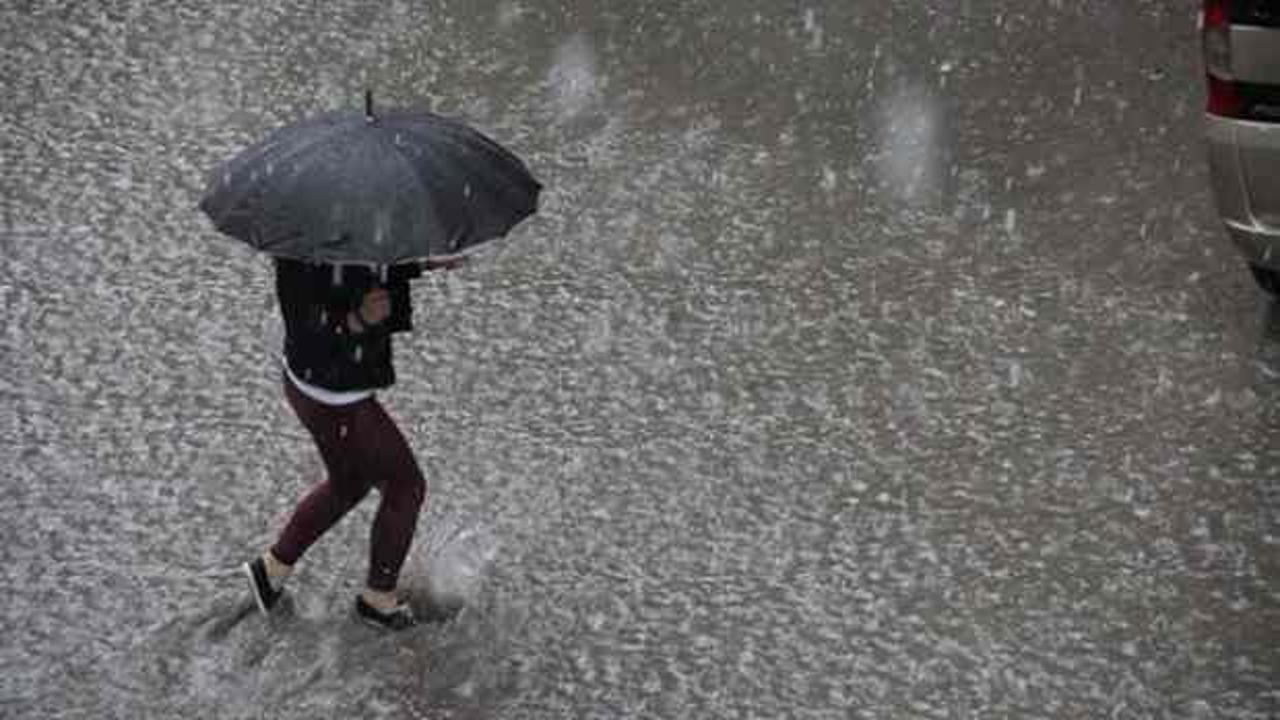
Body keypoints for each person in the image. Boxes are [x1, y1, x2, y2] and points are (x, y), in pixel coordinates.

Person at [243, 253, 466, 630]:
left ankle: (273, 569)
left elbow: (365, 266)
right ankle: (378, 598)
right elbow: (309, 325)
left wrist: (422, 263)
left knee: (349, 483)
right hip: (334, 396)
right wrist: (358, 320)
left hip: (318, 385)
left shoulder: (347, 230)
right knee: (405, 486)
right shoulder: (305, 250)